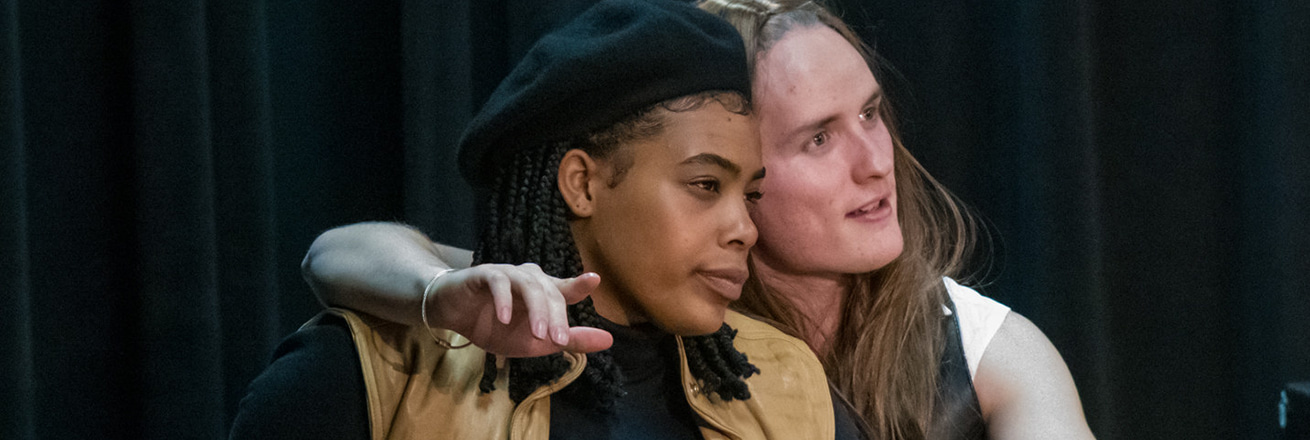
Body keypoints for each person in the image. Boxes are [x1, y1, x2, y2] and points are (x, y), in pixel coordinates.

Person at [300, 1, 1097, 439]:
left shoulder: (964, 347)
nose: (875, 161)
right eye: (818, 138)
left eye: (871, 114)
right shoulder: (571, 300)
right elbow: (367, 256)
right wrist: (433, 295)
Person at [229, 0, 856, 439]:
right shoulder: (375, 376)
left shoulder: (788, 386)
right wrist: (433, 295)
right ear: (582, 184)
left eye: (749, 194)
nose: (744, 228)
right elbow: (336, 253)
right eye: (704, 185)